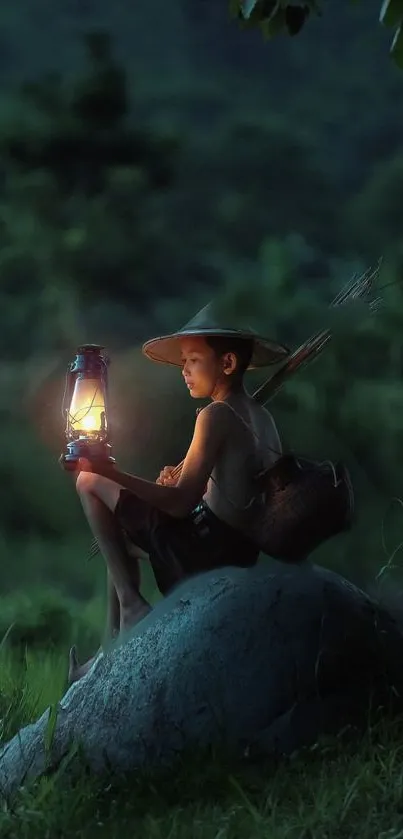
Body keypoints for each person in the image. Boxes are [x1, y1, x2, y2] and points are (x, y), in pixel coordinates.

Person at [68, 302, 289, 683]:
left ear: (228, 364)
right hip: (236, 553)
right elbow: (230, 493)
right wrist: (178, 483)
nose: (184, 370)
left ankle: (133, 608)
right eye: (183, 361)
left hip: (202, 555)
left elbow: (180, 504)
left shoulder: (214, 416)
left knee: (87, 480)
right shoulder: (262, 417)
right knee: (116, 541)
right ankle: (110, 644)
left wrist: (112, 472)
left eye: (193, 360)